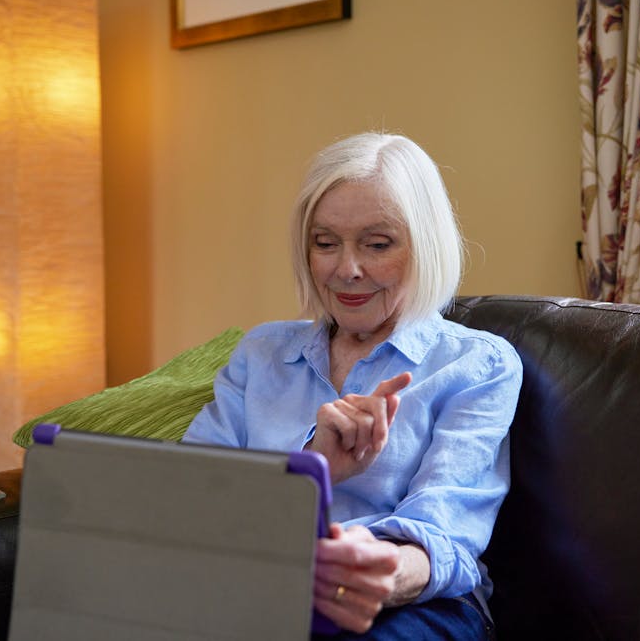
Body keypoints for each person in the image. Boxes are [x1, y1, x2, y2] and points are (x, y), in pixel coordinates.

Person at [182, 132, 522, 640]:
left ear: (424, 244)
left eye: (377, 244)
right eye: (325, 243)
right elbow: (190, 501)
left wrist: (373, 572)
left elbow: (443, 537)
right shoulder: (263, 353)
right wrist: (312, 469)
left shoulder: (476, 364)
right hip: (261, 585)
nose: (346, 269)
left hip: (412, 604)